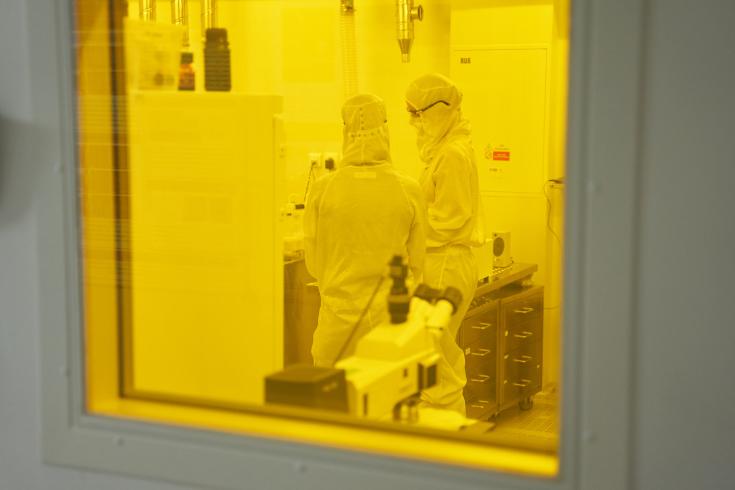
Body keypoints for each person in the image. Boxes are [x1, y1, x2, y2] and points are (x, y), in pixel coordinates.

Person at [304, 94, 427, 367]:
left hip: (338, 322)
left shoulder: (322, 190)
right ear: (385, 130)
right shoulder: (408, 190)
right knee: (390, 400)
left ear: (345, 132)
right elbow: (418, 262)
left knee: (333, 400)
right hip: (390, 323)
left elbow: (313, 261)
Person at [405, 73, 483, 415]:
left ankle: (447, 431)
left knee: (433, 350)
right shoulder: (446, 152)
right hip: (441, 262)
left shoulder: (453, 155)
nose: (414, 123)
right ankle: (443, 426)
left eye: (417, 114)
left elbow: (450, 218)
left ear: (438, 110)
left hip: (446, 264)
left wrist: (408, 229)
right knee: (438, 351)